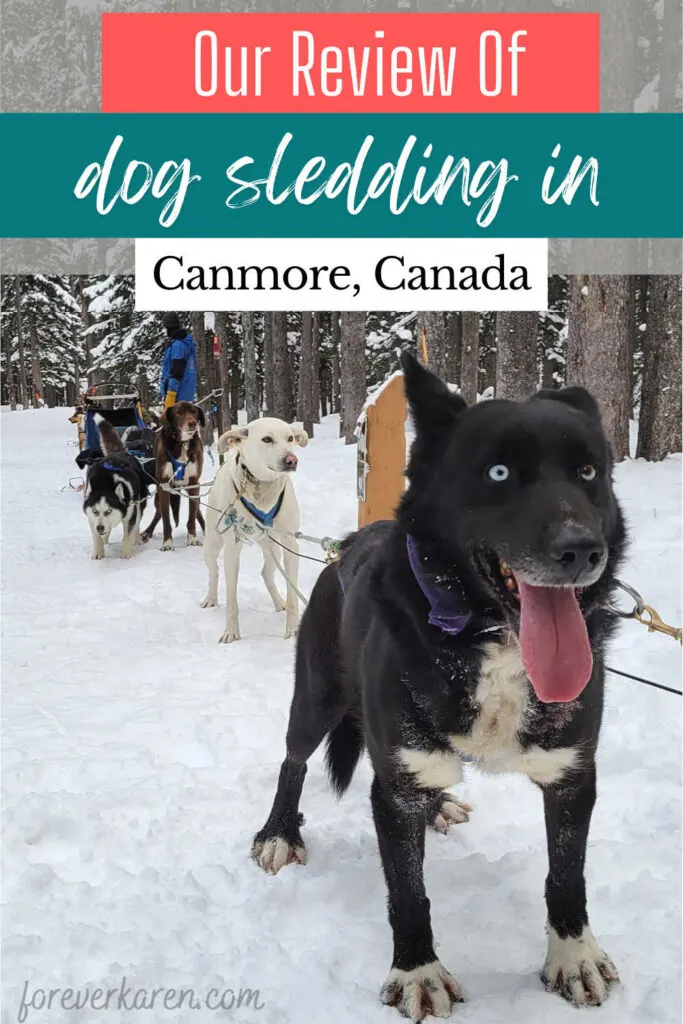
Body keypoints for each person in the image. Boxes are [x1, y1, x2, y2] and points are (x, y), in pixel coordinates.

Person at [160, 313, 198, 410]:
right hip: (184, 393)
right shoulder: (181, 343)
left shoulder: (178, 346)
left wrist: (171, 394)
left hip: (177, 395)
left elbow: (176, 372)